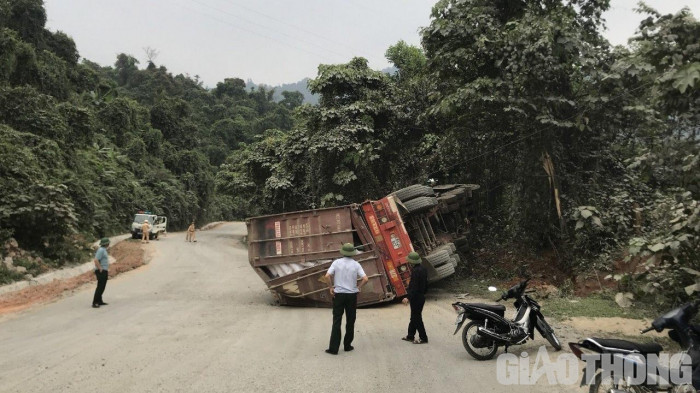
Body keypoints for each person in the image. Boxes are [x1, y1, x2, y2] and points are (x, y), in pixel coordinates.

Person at [324, 243, 369, 355]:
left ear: (342, 252)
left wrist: (330, 287)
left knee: (337, 320)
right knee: (350, 320)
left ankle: (333, 348)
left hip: (338, 294)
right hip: (351, 296)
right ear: (352, 253)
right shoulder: (356, 264)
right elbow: (365, 279)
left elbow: (327, 276)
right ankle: (347, 345)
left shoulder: (336, 262)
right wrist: (358, 287)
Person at [401, 251, 429, 344]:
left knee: (416, 318)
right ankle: (410, 336)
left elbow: (414, 286)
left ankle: (423, 338)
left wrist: (408, 297)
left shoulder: (416, 271)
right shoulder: (423, 269)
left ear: (412, 262)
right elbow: (425, 284)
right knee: (414, 317)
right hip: (421, 296)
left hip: (416, 297)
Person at [92, 237, 111, 308]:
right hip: (101, 271)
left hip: (104, 270)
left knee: (102, 286)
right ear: (106, 244)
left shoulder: (104, 250)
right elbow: (96, 260)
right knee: (100, 287)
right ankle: (95, 302)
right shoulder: (101, 250)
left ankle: (99, 301)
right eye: (108, 243)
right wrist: (100, 268)